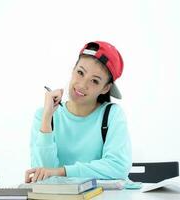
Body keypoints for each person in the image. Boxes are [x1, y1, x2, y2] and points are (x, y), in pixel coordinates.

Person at [25, 41, 132, 183]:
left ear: (106, 88)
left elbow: (118, 166)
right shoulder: (44, 115)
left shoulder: (112, 115)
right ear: (73, 69)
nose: (82, 85)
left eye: (94, 81)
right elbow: (42, 177)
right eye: (80, 73)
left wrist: (62, 171)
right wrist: (47, 119)